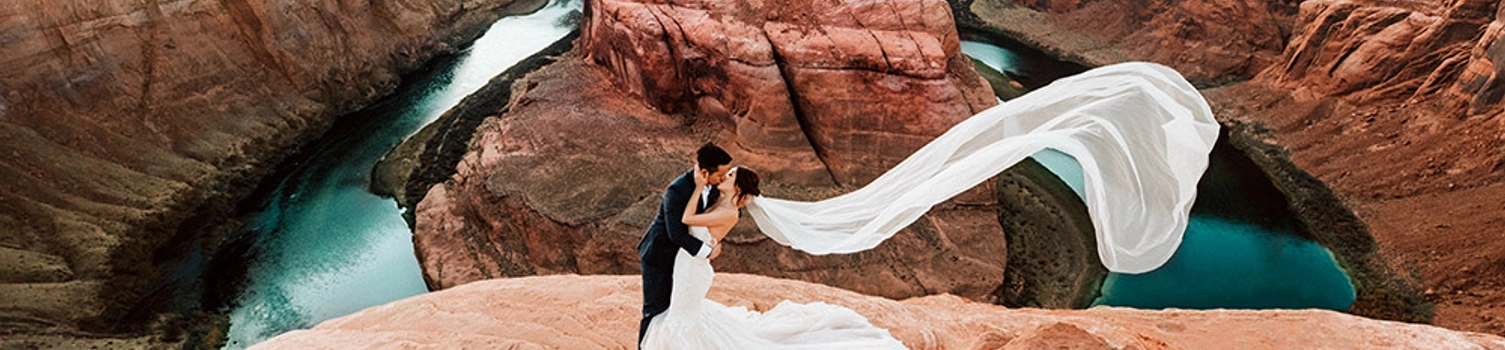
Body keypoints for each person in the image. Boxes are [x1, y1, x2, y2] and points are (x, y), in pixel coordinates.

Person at [639, 165, 906, 349]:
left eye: (730, 175)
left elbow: (686, 219)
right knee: (681, 314)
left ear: (738, 188)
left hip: (693, 268)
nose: (724, 177)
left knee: (683, 317)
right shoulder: (720, 202)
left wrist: (696, 186)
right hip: (688, 264)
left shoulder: (730, 212)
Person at [637, 143, 732, 347]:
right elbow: (676, 234)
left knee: (677, 311)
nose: (723, 178)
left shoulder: (715, 189)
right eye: (720, 174)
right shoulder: (677, 190)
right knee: (655, 311)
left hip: (685, 261)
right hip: (660, 256)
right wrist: (708, 252)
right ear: (705, 172)